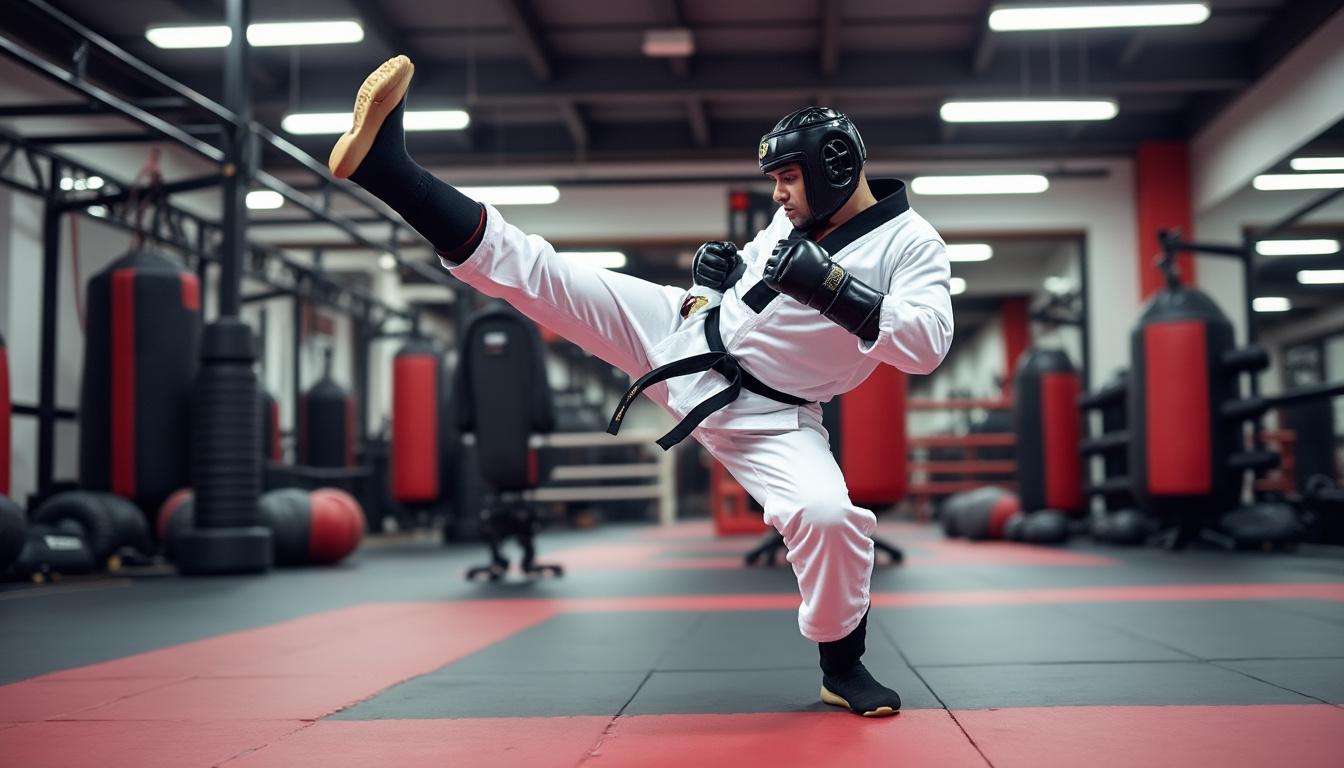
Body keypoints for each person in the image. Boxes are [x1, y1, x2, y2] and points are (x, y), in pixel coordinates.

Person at [329, 55, 953, 718]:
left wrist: (834, 289)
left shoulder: (910, 244)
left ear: (834, 168)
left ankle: (843, 667)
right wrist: (710, 286)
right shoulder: (796, 218)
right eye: (775, 180)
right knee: (539, 271)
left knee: (828, 518)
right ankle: (388, 171)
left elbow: (927, 345)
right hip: (681, 335)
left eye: (789, 179)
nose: (778, 194)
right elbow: (754, 298)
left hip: (770, 416)